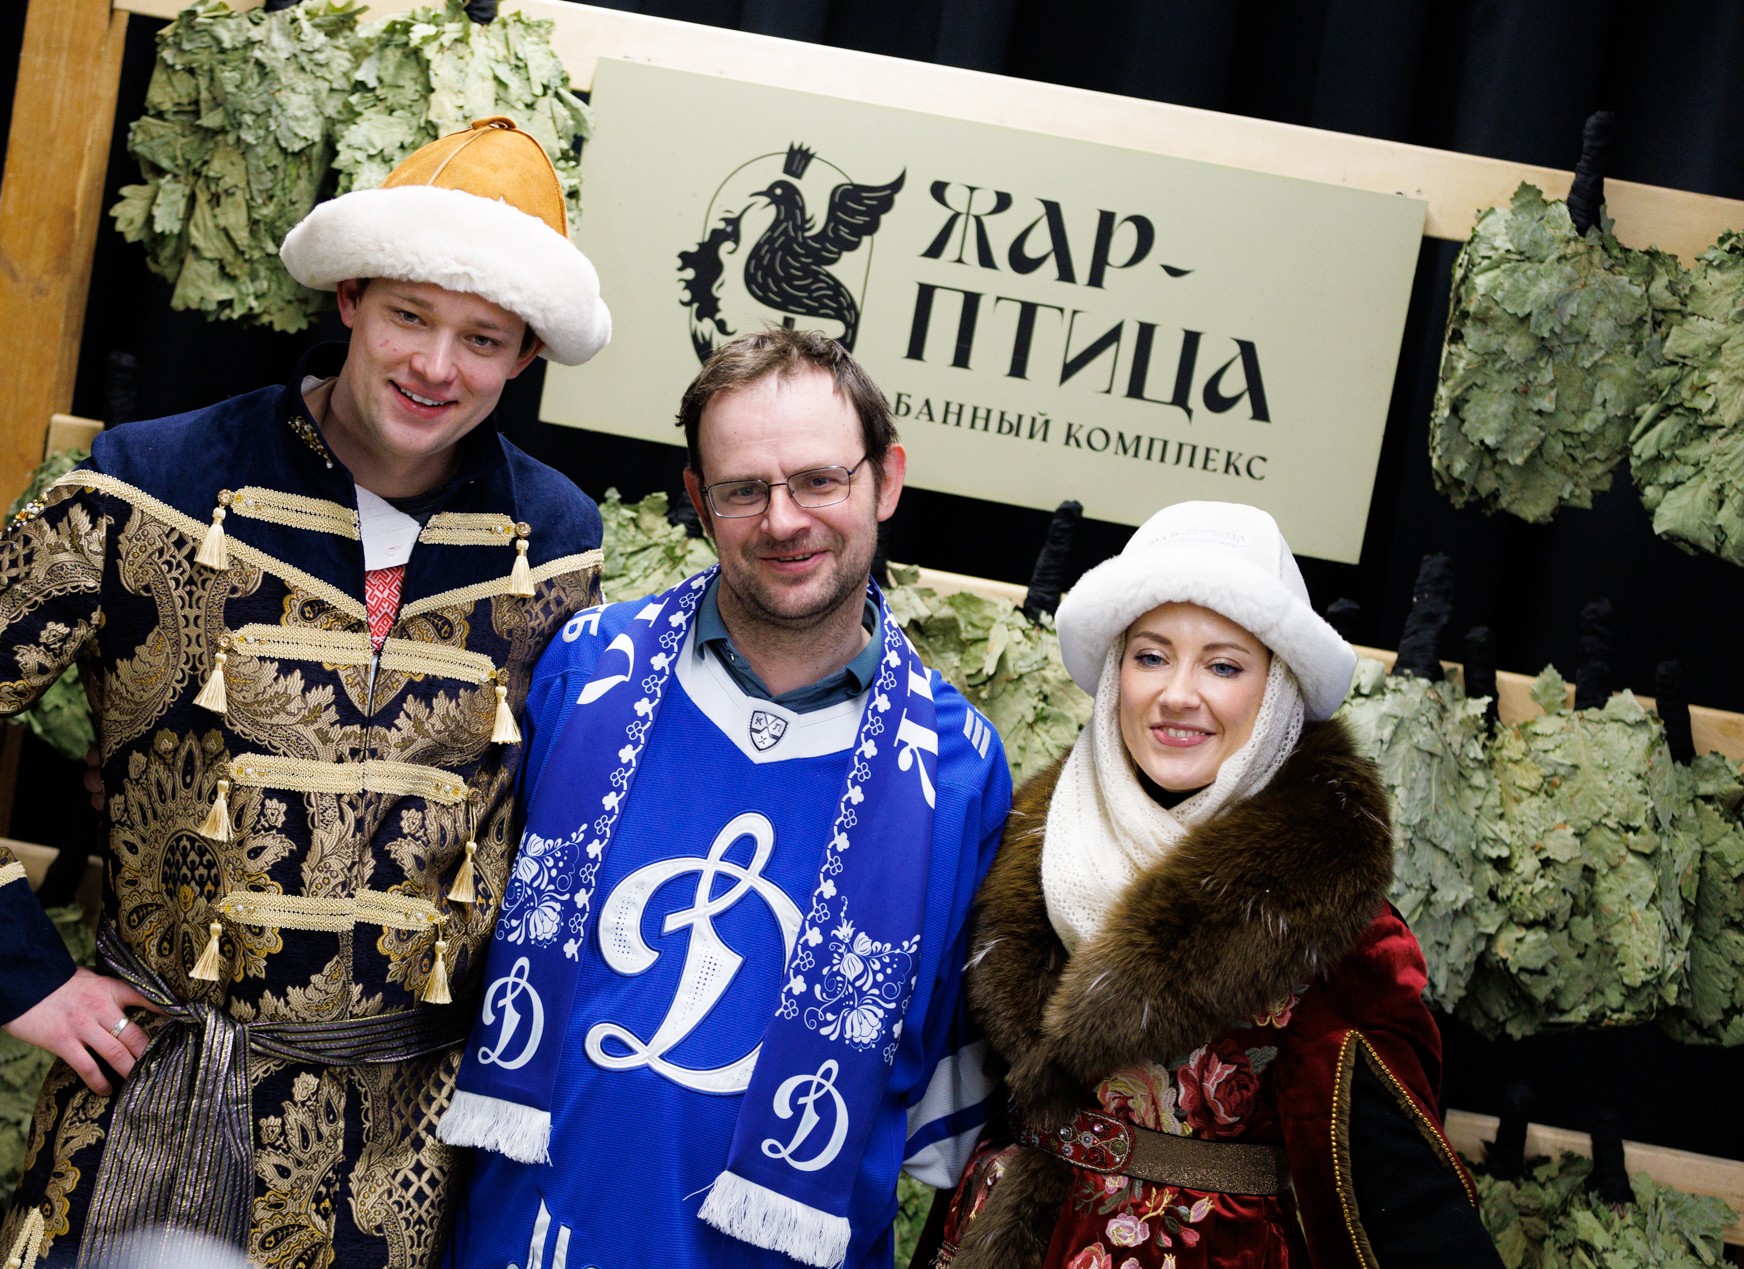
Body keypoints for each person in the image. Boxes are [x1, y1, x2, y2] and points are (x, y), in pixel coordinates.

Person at [0, 117, 611, 1267]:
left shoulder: (556, 539)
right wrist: (16, 973)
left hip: (400, 1154)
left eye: (482, 339)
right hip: (155, 1090)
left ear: (525, 356)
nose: (435, 367)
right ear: (350, 297)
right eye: (408, 316)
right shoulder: (153, 480)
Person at [436, 329, 1014, 1269]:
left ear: (887, 480)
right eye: (744, 489)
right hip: (524, 1244)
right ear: (700, 501)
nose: (784, 520)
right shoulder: (582, 674)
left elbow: (941, 1109)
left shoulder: (959, 771)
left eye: (820, 480)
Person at [937, 501, 1502, 1269]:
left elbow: (1409, 1206)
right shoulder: (1036, 846)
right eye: (1151, 656)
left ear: (1276, 689)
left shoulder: (1325, 916)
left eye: (1224, 665)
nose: (1178, 693)